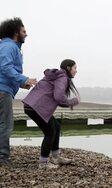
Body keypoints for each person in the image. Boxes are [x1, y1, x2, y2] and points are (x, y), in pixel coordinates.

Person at [22, 59, 80, 169]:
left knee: (56, 127)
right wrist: (73, 101)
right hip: (37, 107)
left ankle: (55, 157)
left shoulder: (56, 76)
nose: (76, 71)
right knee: (50, 132)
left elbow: (58, 98)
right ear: (68, 68)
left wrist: (69, 102)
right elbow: (59, 97)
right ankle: (43, 163)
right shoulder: (62, 78)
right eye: (75, 68)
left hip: (31, 105)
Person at [0, 17, 37, 167]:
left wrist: (22, 83)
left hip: (4, 89)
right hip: (2, 91)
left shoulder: (8, 46)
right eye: (24, 31)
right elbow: (5, 67)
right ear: (16, 32)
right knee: (5, 125)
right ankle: (2, 158)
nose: (26, 34)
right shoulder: (9, 46)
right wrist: (23, 79)